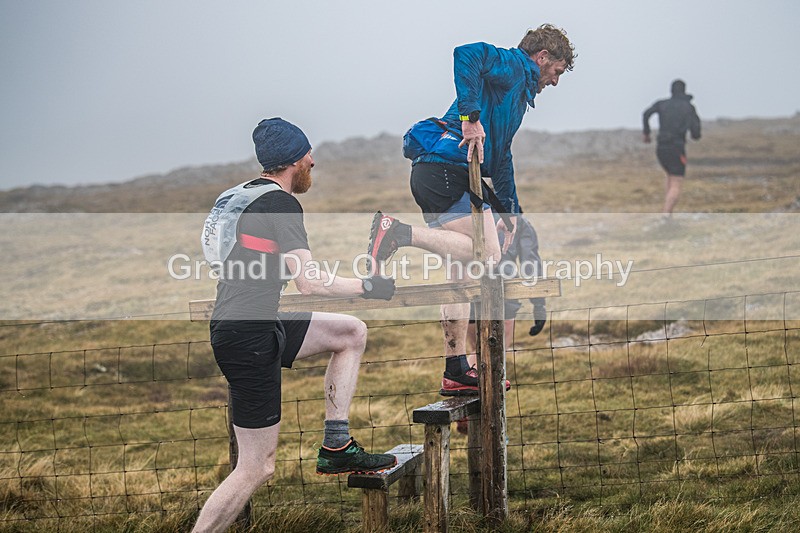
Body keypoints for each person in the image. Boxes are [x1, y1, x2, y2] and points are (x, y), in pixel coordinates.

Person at [192, 118, 397, 533]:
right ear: (294, 162)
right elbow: (309, 282)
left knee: (350, 333)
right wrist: (369, 286)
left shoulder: (238, 196)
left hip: (251, 322)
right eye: (309, 155)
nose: (313, 162)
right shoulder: (282, 203)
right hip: (248, 337)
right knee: (257, 467)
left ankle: (336, 444)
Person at [365, 24, 575, 396]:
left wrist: (511, 213)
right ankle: (397, 233)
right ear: (542, 58)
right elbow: (466, 53)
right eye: (556, 71)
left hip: (439, 175)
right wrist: (471, 117)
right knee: (488, 253)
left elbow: (503, 158)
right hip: (445, 172)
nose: (555, 82)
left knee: (459, 279)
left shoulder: (514, 98)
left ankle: (455, 369)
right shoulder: (512, 65)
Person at [643, 79, 702, 217]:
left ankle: (667, 212)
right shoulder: (688, 107)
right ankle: (666, 214)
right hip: (677, 147)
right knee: (676, 181)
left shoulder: (662, 104)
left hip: (661, 147)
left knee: (670, 177)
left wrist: (646, 133)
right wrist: (694, 134)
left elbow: (646, 114)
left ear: (671, 90)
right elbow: (696, 133)